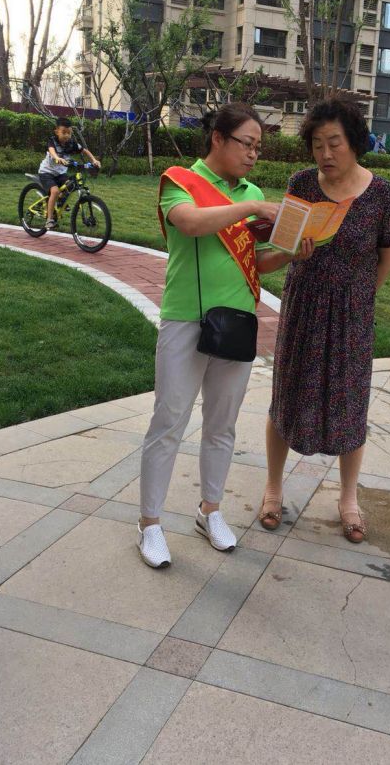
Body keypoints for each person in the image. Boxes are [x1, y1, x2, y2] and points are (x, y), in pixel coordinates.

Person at [136, 102, 310, 569]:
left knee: (222, 425)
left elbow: (256, 260)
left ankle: (210, 511)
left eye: (258, 147)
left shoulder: (251, 190)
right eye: (247, 144)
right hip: (186, 320)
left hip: (236, 322)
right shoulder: (180, 181)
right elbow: (190, 223)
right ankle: (150, 524)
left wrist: (291, 254)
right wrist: (251, 207)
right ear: (218, 138)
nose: (253, 154)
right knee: (169, 422)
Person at [260, 96, 390, 543]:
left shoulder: (382, 194)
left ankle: (348, 498)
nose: (325, 153)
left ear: (354, 141)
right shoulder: (301, 184)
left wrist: (362, 296)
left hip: (352, 315)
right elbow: (277, 252)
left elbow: (389, 256)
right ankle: (273, 488)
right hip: (303, 307)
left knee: (350, 403)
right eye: (317, 144)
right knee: (286, 394)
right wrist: (292, 252)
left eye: (334, 143)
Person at [38, 117, 100, 229]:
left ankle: (60, 202)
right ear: (57, 131)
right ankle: (49, 219)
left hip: (60, 173)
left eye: (69, 133)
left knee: (71, 185)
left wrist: (94, 160)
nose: (67, 135)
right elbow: (52, 151)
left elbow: (85, 151)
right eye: (64, 132)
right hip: (47, 172)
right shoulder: (52, 141)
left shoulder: (71, 143)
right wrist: (57, 158)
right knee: (55, 191)